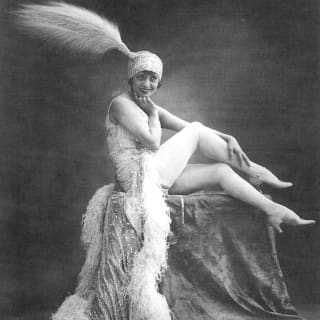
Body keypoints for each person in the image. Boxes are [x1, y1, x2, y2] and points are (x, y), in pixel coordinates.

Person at [15, 3, 315, 320]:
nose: (147, 84)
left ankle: (271, 210)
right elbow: (153, 141)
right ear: (131, 79)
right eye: (142, 78)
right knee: (199, 135)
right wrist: (157, 115)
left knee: (220, 170)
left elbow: (189, 126)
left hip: (152, 178)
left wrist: (228, 136)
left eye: (153, 79)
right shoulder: (121, 104)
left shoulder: (146, 104)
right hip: (138, 178)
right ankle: (254, 171)